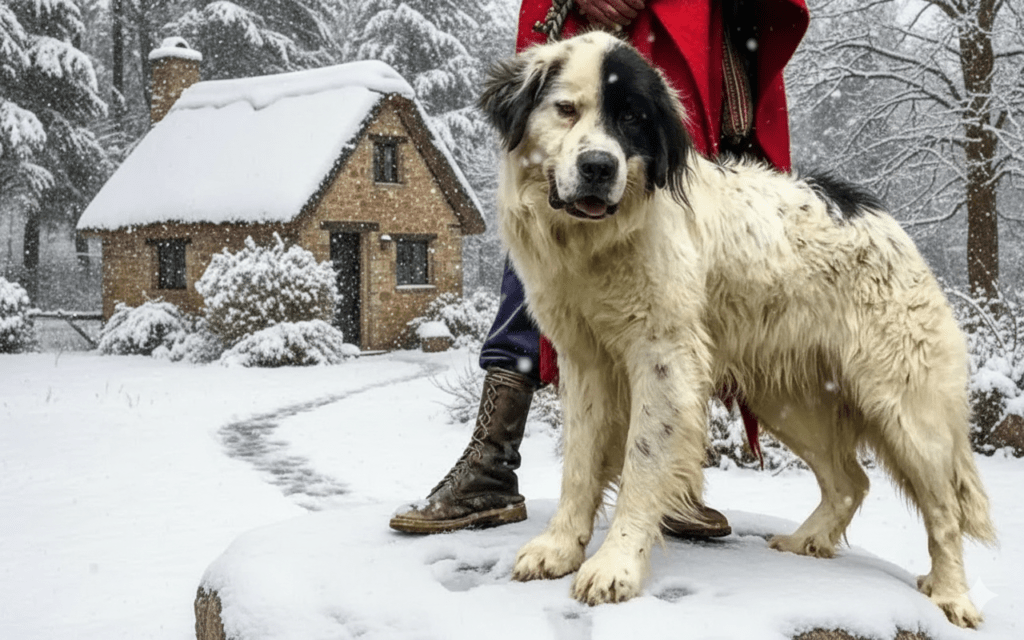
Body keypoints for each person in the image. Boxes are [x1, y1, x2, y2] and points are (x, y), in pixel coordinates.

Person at [389, 0, 809, 535]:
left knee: (673, 260)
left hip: (689, 26)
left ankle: (668, 484)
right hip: (593, 25)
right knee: (542, 214)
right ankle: (492, 457)